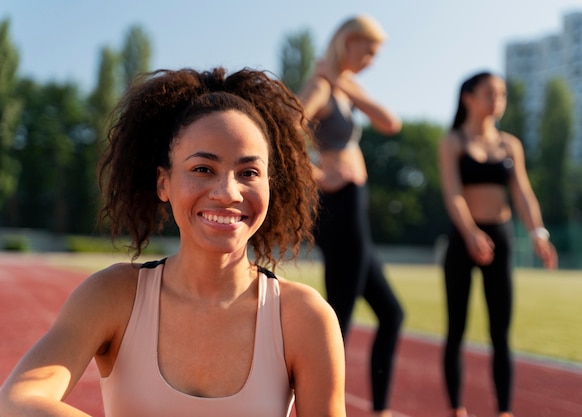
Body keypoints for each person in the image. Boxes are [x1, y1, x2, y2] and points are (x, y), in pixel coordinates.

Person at [0, 67, 346, 417]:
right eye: (202, 169)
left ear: (271, 185)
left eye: (248, 173)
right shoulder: (113, 296)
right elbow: (16, 400)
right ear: (163, 183)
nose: (227, 193)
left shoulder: (304, 317)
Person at [298, 15, 405, 417]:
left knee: (391, 314)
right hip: (339, 205)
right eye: (370, 50)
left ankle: (378, 410)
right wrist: (316, 174)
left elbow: (390, 122)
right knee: (338, 316)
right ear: (348, 42)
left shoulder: (340, 86)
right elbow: (285, 130)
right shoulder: (320, 86)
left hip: (353, 206)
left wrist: (342, 82)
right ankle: (319, 408)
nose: (373, 60)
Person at [438, 71, 558, 417]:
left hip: (501, 238)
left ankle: (504, 411)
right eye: (490, 93)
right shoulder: (453, 142)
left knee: (501, 332)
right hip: (463, 239)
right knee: (456, 328)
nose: (497, 100)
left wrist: (538, 234)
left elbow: (522, 193)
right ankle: (456, 409)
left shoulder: (510, 144)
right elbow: (453, 193)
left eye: (502, 94)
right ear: (468, 98)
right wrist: (472, 232)